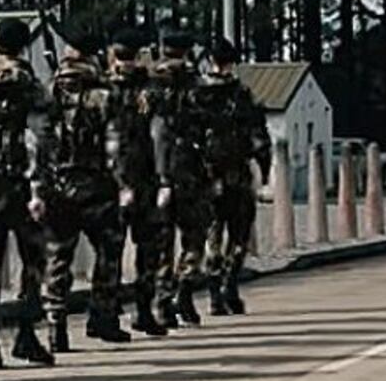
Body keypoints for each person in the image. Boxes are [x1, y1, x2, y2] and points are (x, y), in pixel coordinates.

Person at [0, 18, 56, 370]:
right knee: (32, 260)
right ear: (24, 46)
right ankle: (25, 331)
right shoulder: (30, 83)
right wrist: (39, 185)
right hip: (21, 182)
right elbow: (41, 136)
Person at [39, 40, 131, 353]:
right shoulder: (105, 96)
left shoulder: (48, 92)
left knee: (57, 257)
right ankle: (103, 317)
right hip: (97, 188)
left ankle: (55, 326)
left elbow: (37, 143)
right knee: (108, 252)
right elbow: (114, 145)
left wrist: (39, 186)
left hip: (58, 188)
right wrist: (123, 184)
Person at [200, 38, 272, 315]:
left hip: (207, 176)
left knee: (212, 235)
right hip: (237, 174)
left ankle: (214, 292)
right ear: (233, 63)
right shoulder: (242, 94)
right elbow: (259, 138)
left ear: (209, 60)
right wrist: (264, 173)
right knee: (239, 235)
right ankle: (231, 285)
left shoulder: (197, 94)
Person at [106, 27, 168, 337]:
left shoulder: (104, 88)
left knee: (116, 251)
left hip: (116, 179)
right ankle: (140, 310)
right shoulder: (150, 90)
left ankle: (117, 312)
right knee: (143, 250)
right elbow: (160, 134)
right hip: (140, 177)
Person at [152, 31, 211, 328]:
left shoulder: (149, 83)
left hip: (157, 171)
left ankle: (162, 302)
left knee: (162, 242)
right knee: (194, 238)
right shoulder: (199, 85)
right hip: (191, 171)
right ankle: (184, 290)